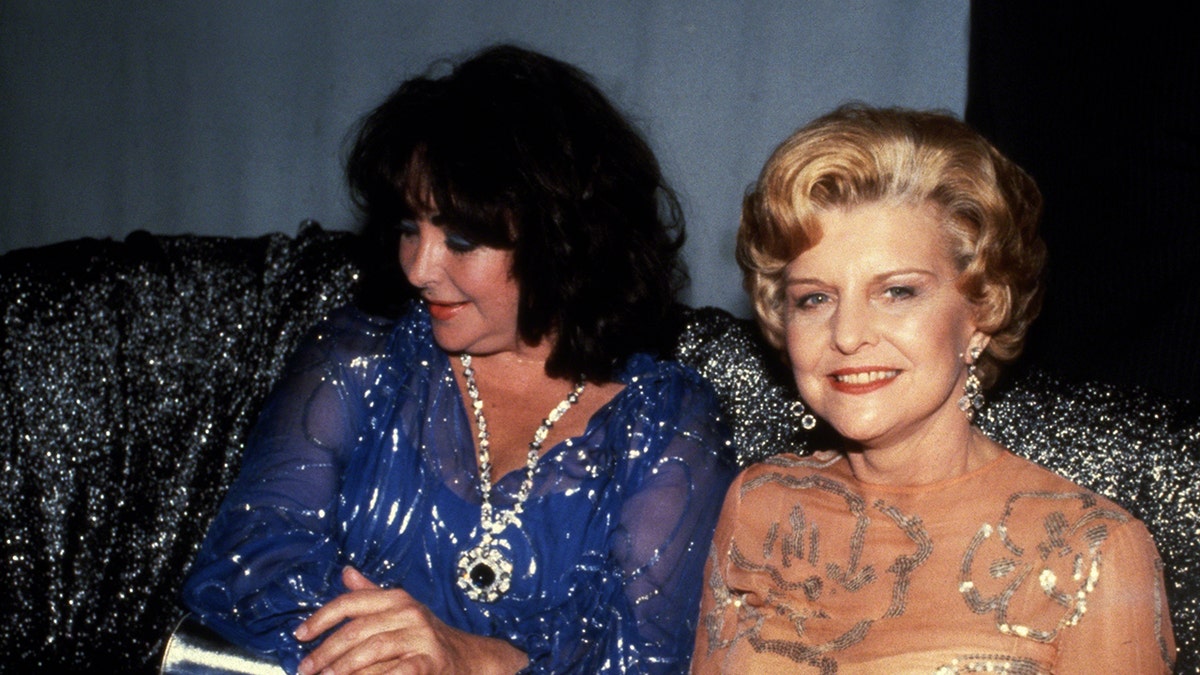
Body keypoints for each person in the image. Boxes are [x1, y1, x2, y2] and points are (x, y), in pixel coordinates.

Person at [182, 45, 735, 675]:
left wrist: (478, 661)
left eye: (462, 240)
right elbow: (248, 560)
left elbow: (648, 659)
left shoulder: (665, 425)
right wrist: (390, 651)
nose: (419, 268)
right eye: (411, 227)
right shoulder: (359, 360)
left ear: (564, 240)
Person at [691, 105, 1176, 672]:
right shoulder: (760, 503)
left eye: (897, 292)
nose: (847, 336)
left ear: (983, 309)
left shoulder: (1092, 549)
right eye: (814, 298)